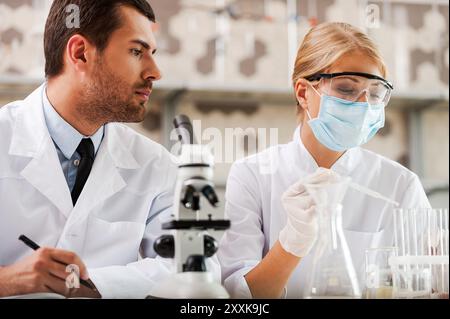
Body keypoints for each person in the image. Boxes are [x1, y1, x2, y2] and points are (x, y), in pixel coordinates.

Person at [0, 0, 219, 298]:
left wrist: (91, 286)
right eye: (136, 52)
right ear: (80, 53)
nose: (155, 71)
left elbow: (195, 266)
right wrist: (10, 279)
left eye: (152, 54)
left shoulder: (156, 165)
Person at [217, 22, 431, 299]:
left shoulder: (400, 185)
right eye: (345, 89)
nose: (363, 105)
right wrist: (291, 242)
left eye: (375, 92)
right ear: (304, 93)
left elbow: (427, 285)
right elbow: (238, 298)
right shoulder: (252, 175)